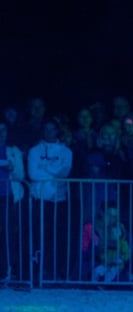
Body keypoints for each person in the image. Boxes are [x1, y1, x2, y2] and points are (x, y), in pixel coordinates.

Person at [27, 118, 73, 281]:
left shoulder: (66, 151)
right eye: (46, 129)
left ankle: (56, 271)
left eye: (52, 129)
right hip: (39, 199)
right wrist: (53, 172)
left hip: (59, 200)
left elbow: (65, 173)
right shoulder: (34, 151)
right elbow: (33, 174)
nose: (49, 132)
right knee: (40, 237)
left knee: (58, 238)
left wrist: (45, 169)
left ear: (57, 130)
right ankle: (40, 272)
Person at [0, 121, 26, 283]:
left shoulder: (13, 151)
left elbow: (21, 175)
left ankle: (6, 272)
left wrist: (11, 168)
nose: (1, 133)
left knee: (8, 234)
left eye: (3, 130)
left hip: (8, 196)